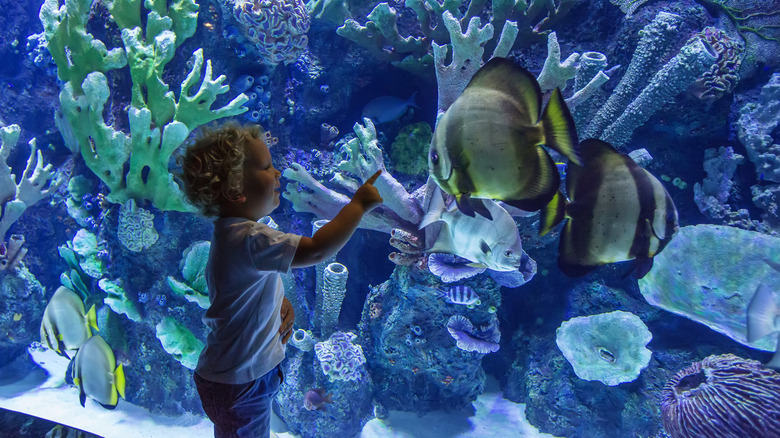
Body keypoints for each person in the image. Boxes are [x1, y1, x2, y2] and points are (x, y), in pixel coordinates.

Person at [178, 122, 383, 437]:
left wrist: (279, 304)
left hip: (232, 378)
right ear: (235, 189)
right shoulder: (250, 238)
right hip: (242, 384)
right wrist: (356, 206)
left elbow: (240, 294)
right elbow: (316, 251)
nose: (277, 173)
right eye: (266, 167)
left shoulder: (228, 235)